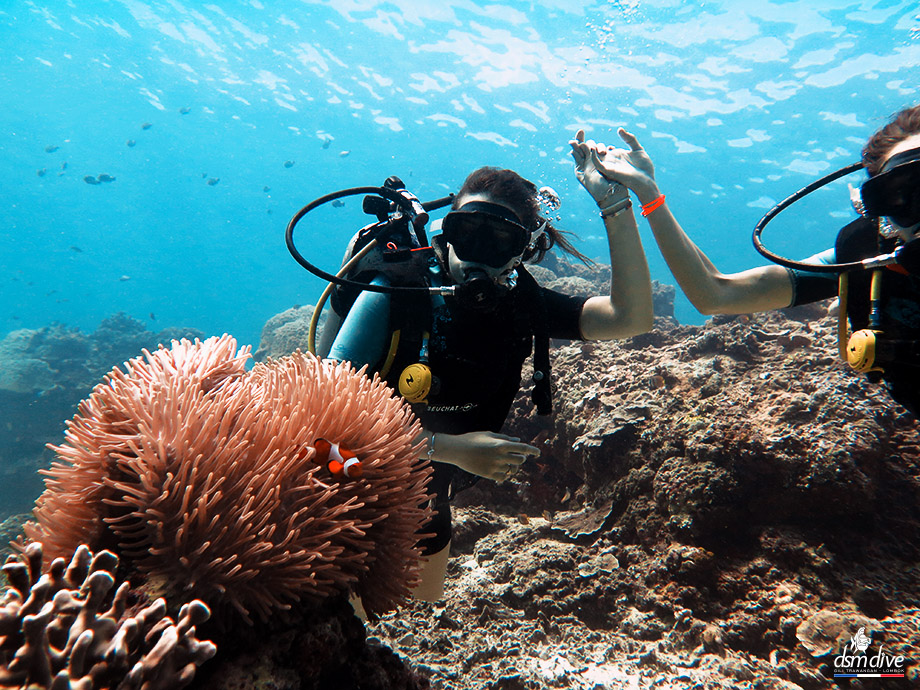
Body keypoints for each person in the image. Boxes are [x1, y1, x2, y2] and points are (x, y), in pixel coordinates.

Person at [325, 155, 654, 601]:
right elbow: (322, 425)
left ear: (523, 252)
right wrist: (450, 449)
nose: (476, 254)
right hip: (339, 482)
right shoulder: (397, 296)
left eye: (499, 241)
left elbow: (630, 317)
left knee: (418, 607)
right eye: (468, 232)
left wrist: (617, 205)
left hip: (425, 496)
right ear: (447, 231)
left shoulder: (524, 305)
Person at [574, 104, 920, 415]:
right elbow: (716, 294)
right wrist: (648, 192)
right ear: (881, 212)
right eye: (906, 193)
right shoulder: (865, 257)